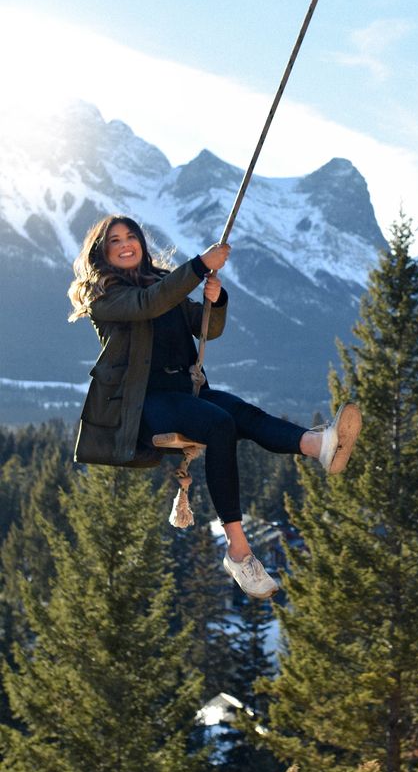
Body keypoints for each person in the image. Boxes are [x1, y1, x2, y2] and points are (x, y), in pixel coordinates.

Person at [68, 214, 361, 599]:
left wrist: (216, 299)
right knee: (220, 424)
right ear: (102, 252)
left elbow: (207, 328)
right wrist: (198, 266)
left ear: (141, 242)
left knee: (243, 414)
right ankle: (238, 551)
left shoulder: (161, 283)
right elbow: (147, 305)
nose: (125, 244)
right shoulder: (105, 296)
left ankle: (315, 445)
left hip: (185, 393)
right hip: (145, 404)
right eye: (114, 241)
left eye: (131, 237)